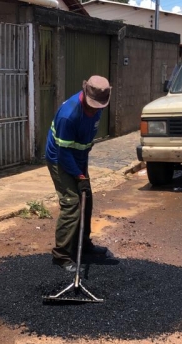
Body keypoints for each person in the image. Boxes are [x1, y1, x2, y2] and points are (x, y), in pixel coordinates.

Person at [46, 75, 111, 272]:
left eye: (99, 106)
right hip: (60, 159)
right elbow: (63, 153)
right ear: (85, 94)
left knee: (86, 199)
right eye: (92, 106)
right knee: (72, 203)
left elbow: (84, 142)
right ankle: (61, 255)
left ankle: (84, 244)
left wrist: (82, 172)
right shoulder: (69, 115)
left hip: (79, 158)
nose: (95, 110)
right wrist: (78, 176)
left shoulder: (97, 107)